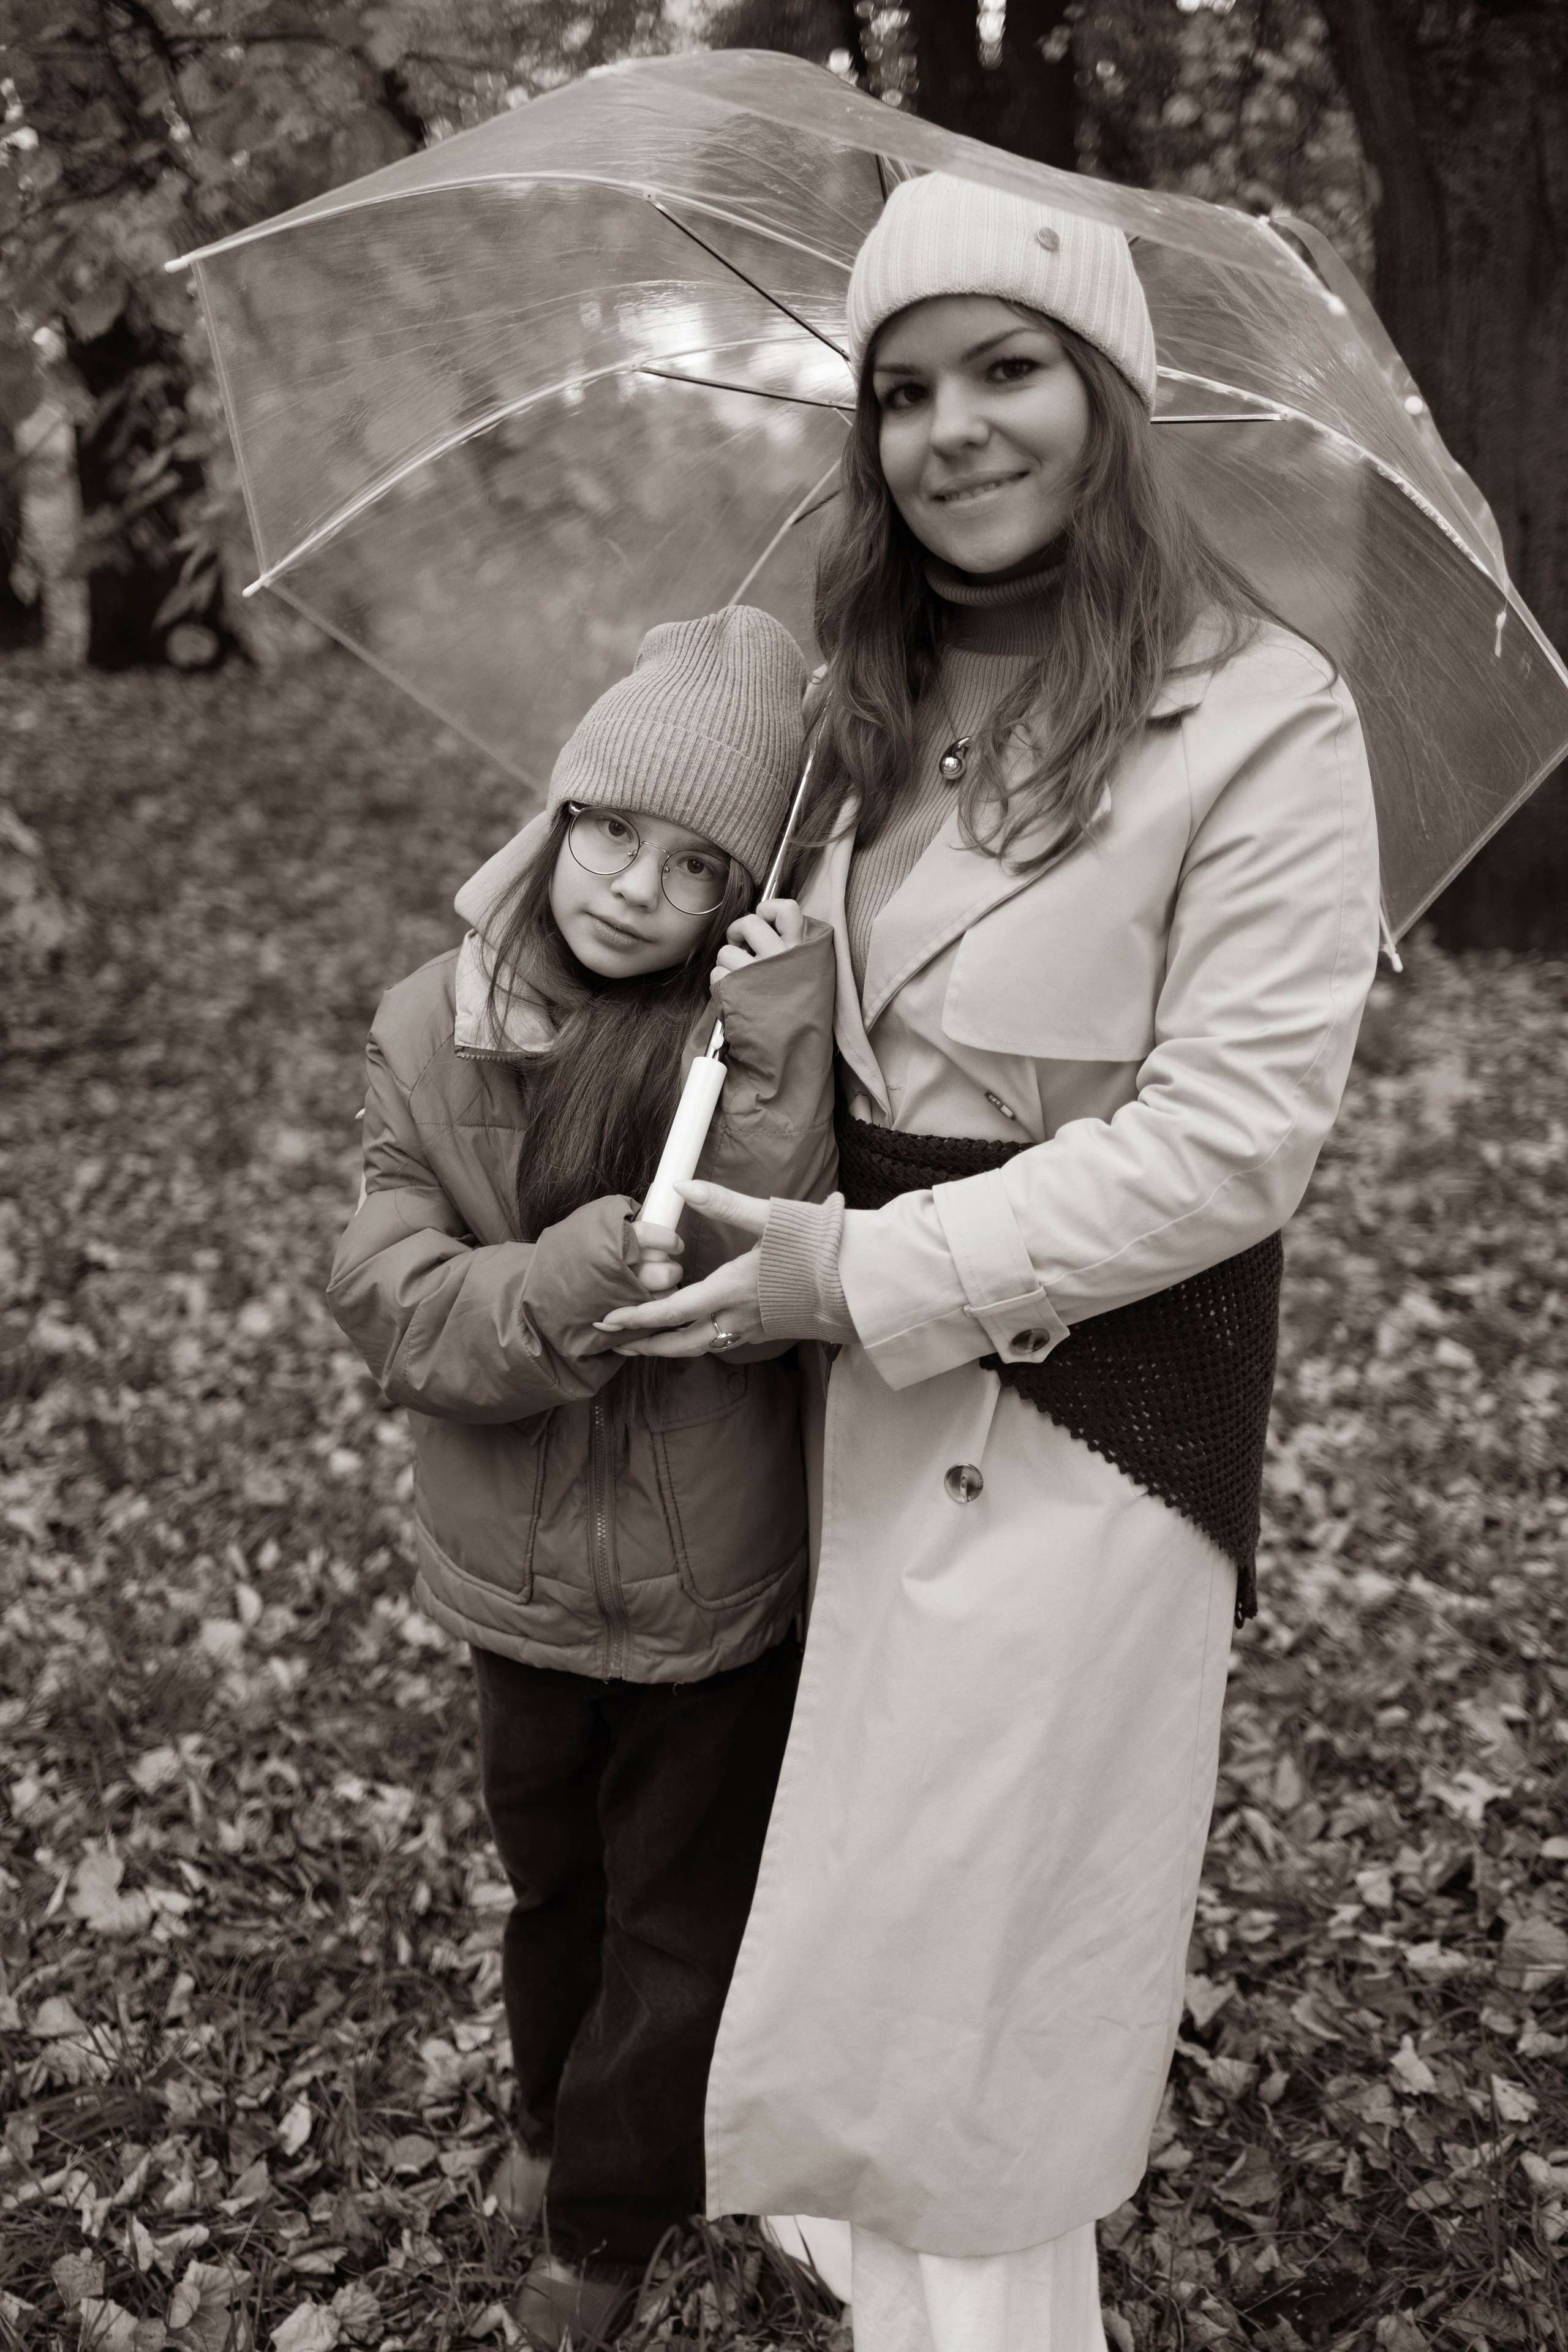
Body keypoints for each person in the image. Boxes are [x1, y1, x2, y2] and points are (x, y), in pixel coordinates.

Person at [597, 175, 1382, 2351]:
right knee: (872, 1936)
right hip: (847, 1395)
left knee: (975, 2007)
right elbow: (870, 1053)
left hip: (1082, 1417)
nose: (953, 430)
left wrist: (850, 1274)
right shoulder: (867, 704)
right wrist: (770, 1041)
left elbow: (1231, 1145)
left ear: (1110, 398)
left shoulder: (1264, 720)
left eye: (1009, 370)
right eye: (905, 390)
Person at [326, 607, 837, 2350]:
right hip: (517, 1584)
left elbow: (780, 1296)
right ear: (556, 815)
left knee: (677, 1922)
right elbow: (385, 1294)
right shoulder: (430, 1027)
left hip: (710, 1589)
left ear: (738, 899)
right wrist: (546, 1283)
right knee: (551, 1885)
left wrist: (770, 1037)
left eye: (697, 865)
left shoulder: (754, 1040)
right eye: (612, 829)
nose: (634, 886)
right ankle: (546, 2114)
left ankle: (607, 2224)